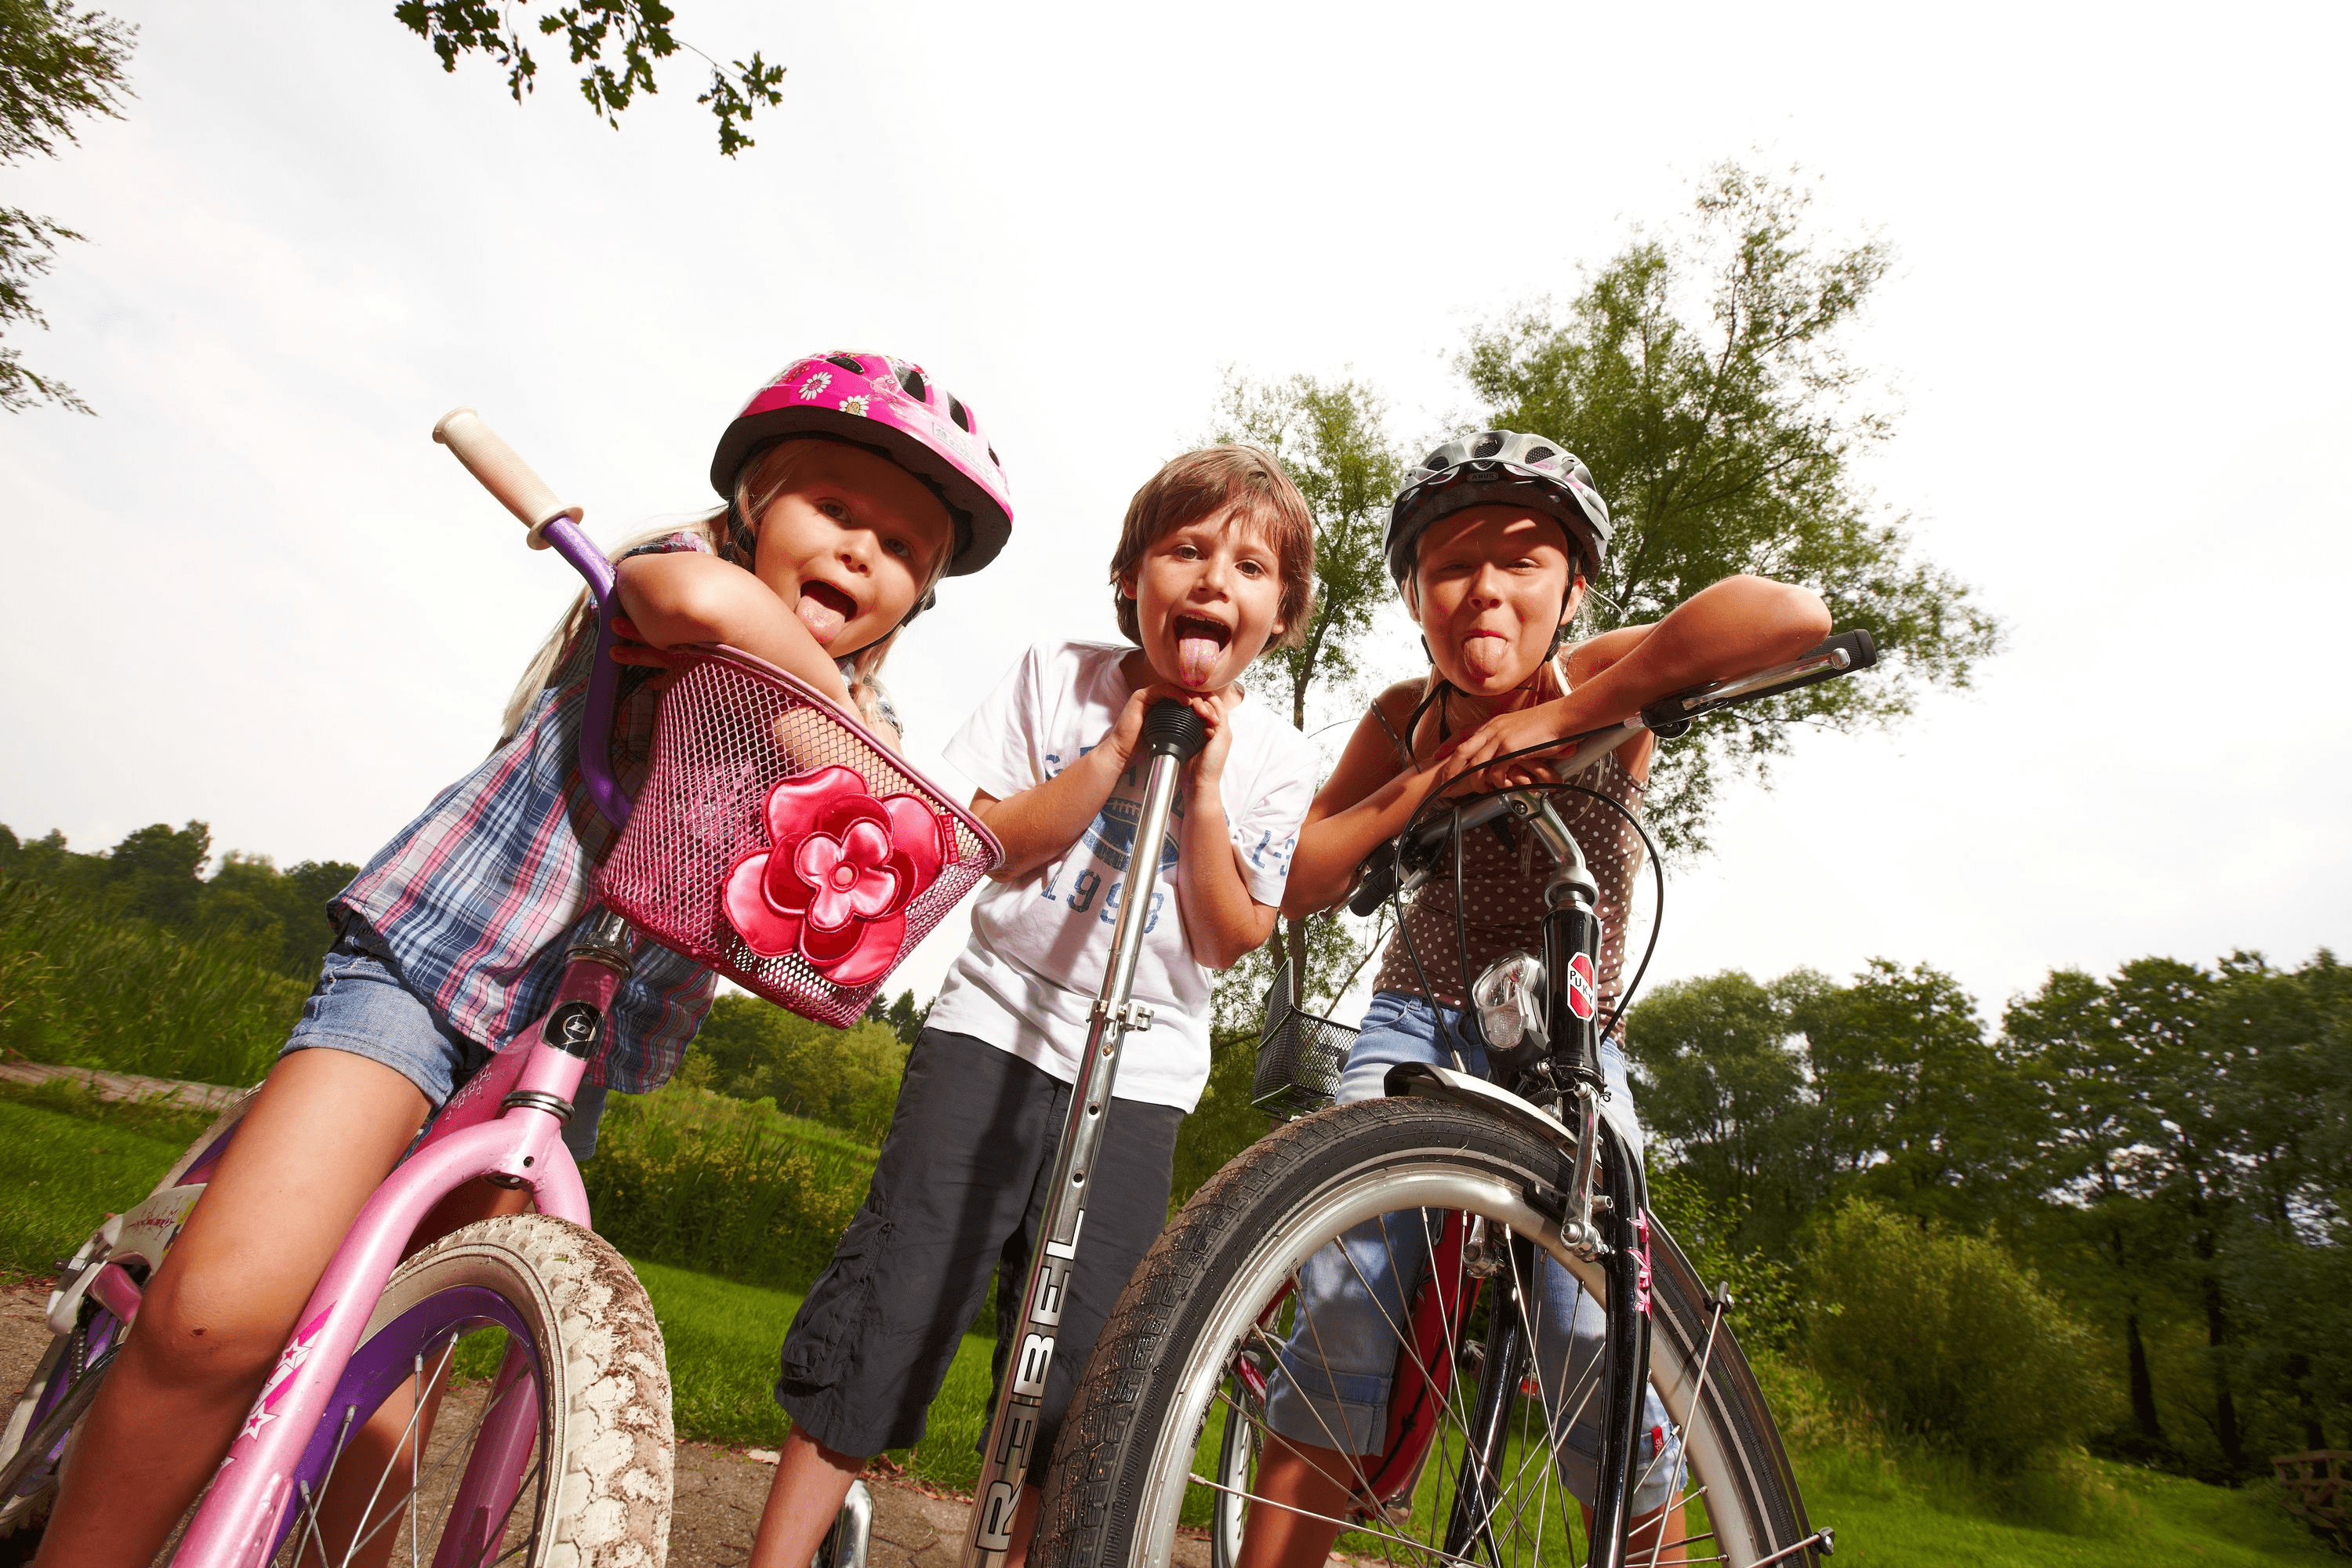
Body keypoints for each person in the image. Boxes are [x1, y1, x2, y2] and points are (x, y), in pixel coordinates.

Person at [36, 350, 1013, 1567]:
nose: (866, 552)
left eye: (906, 550)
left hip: (574, 1042)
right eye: (837, 509)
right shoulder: (682, 568)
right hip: (436, 969)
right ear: (755, 503)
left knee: (399, 1363)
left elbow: (879, 866)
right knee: (221, 1321)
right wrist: (842, 722)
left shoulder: (872, 730)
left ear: (919, 599)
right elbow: (704, 618)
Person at [1234, 430, 1831, 1568]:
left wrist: (1553, 723)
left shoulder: (1603, 677)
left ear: (1574, 587)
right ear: (1413, 596)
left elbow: (1789, 615)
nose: (1486, 590)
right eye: (1450, 565)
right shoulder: (1404, 715)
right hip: (1417, 1013)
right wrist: (1434, 778)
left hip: (1571, 1031)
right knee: (1350, 1285)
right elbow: (1301, 877)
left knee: (1591, 1321)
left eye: (1522, 560)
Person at [747, 445, 1325, 1568]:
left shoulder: (1274, 759)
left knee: (1089, 1366)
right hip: (996, 1025)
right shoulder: (1055, 677)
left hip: (1141, 1072)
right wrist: (1118, 748)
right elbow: (984, 845)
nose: (1214, 579)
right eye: (1187, 550)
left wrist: (1201, 786)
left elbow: (1231, 931)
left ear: (1281, 613)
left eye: (1251, 566)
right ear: (1132, 578)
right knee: (898, 1294)